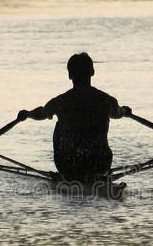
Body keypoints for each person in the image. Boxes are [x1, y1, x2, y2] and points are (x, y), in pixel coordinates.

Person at [17, 52, 131, 183]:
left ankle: (67, 176)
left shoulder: (61, 102)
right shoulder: (107, 101)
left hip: (69, 166)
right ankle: (97, 177)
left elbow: (42, 113)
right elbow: (118, 113)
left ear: (70, 75)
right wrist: (125, 110)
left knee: (59, 125)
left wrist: (28, 114)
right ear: (92, 72)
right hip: (100, 164)